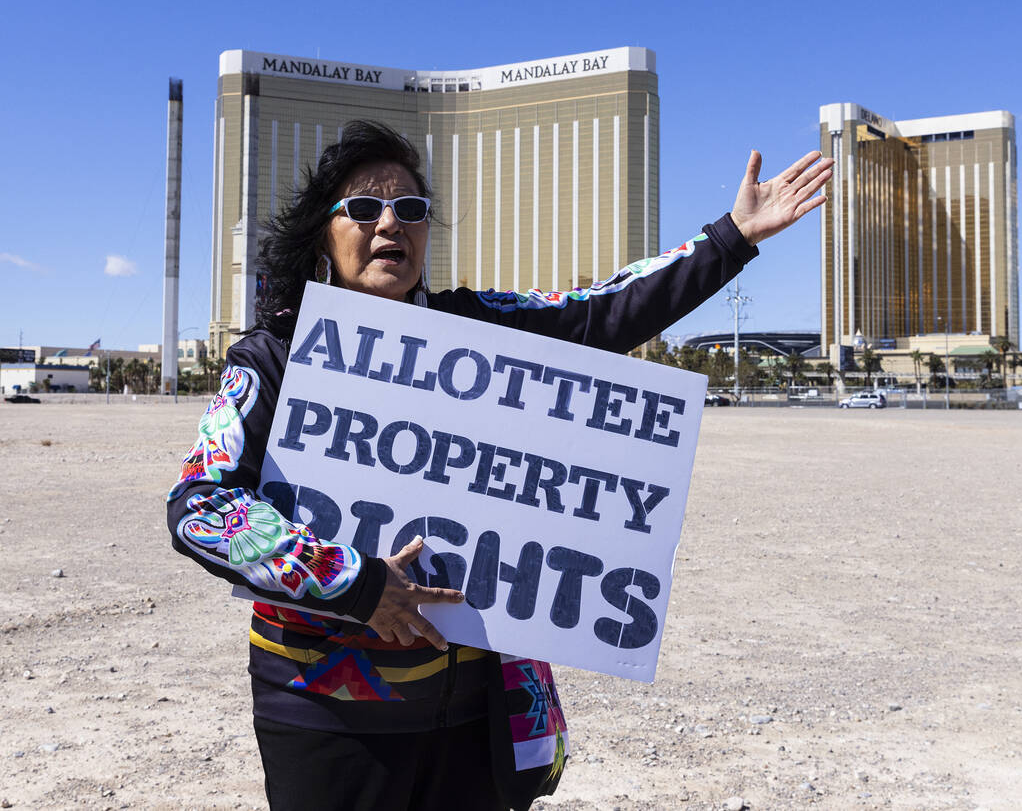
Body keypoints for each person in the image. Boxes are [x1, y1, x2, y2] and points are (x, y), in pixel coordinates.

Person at [167, 119, 832, 810]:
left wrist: (732, 237)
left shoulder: (478, 332)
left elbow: (599, 312)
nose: (391, 223)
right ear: (323, 234)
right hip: (328, 721)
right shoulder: (274, 355)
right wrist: (355, 582)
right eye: (364, 209)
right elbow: (201, 505)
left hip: (474, 715)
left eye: (412, 210)